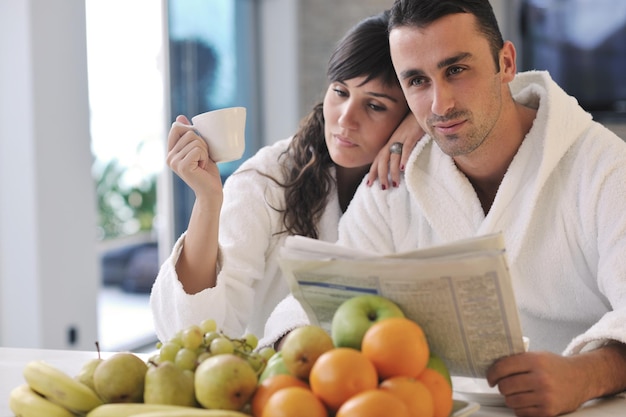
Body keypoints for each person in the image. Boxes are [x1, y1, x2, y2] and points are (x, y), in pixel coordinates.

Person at [264, 1, 626, 416]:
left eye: (456, 70)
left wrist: (585, 376)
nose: (440, 104)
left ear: (506, 62)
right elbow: (321, 295)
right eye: (417, 81)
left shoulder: (605, 169)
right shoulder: (394, 180)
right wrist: (296, 346)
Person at [150, 10, 422, 343]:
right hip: (275, 380)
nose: (346, 119)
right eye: (340, 91)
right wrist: (208, 200)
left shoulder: (423, 178)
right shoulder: (268, 179)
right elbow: (196, 330)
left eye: (375, 106)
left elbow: (499, 91)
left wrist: (424, 122)